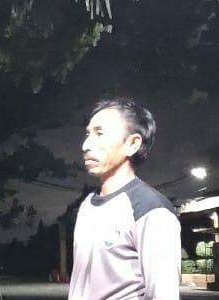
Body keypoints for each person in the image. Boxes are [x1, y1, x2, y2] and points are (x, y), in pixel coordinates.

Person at [68, 98, 182, 300]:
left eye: (99, 133)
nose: (86, 145)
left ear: (132, 144)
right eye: (88, 134)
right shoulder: (87, 205)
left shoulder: (151, 210)